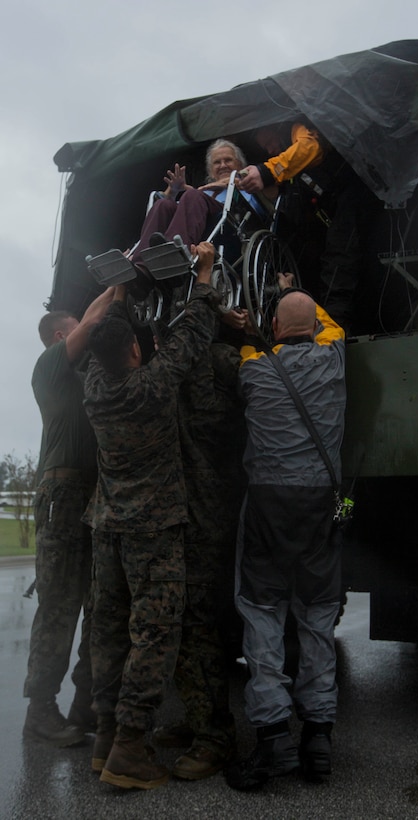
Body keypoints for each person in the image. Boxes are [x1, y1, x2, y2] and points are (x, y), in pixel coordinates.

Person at [82, 242, 221, 790]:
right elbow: (189, 337)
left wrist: (119, 290)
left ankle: (103, 738)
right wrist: (204, 275)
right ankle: (130, 750)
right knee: (153, 636)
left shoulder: (95, 390)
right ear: (135, 354)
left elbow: (105, 342)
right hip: (153, 534)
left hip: (106, 532)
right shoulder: (152, 388)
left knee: (109, 634)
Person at [225, 274, 346, 791]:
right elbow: (329, 324)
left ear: (274, 327)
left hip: (269, 508)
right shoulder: (334, 359)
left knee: (262, 615)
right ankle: (317, 739)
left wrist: (260, 310)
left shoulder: (253, 369)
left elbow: (251, 343)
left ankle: (273, 737)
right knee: (317, 618)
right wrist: (295, 289)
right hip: (322, 505)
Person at [23, 286, 117, 747]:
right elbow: (93, 323)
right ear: (62, 334)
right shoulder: (52, 365)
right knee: (60, 606)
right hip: (62, 494)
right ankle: (40, 712)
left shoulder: (83, 376)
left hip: (89, 495)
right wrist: (117, 284)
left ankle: (86, 706)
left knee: (97, 606)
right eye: (76, 327)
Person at [155, 335, 247, 781]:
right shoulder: (203, 366)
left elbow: (214, 413)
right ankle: (199, 721)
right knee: (189, 621)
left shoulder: (222, 368)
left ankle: (216, 736)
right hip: (188, 515)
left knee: (199, 623)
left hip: (210, 518)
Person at [237, 122, 378, 334]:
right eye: (265, 148)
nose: (270, 149)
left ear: (279, 130)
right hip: (322, 233)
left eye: (270, 142)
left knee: (339, 269)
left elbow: (311, 147)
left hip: (353, 206)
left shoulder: (299, 129)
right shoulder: (290, 174)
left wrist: (266, 171)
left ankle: (335, 338)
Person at [131, 139, 248, 262]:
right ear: (210, 171)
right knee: (163, 204)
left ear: (240, 165)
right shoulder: (202, 193)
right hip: (198, 222)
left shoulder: (248, 185)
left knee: (193, 195)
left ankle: (175, 253)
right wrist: (172, 192)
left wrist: (235, 180)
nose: (223, 165)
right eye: (217, 162)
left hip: (231, 222)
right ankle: (140, 263)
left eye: (228, 160)